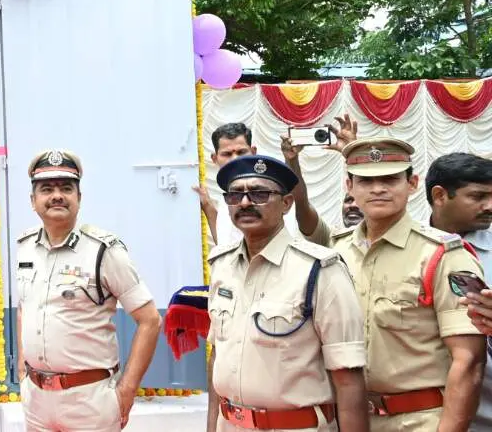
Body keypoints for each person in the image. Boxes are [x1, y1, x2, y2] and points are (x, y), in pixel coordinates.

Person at [319, 138, 486, 431]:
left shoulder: (443, 254)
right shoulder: (337, 252)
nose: (378, 189)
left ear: (412, 184)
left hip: (419, 420)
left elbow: (469, 360)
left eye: (390, 179)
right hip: (347, 419)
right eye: (366, 180)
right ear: (349, 187)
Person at [205, 155, 368, 432]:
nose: (245, 203)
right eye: (236, 195)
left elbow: (348, 377)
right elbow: (217, 356)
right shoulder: (222, 265)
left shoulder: (319, 270)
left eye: (259, 194)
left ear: (287, 203)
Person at [14, 149, 161, 432]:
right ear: (33, 201)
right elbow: (25, 307)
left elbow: (150, 320)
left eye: (66, 188)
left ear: (78, 199)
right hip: (36, 398)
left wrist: (127, 391)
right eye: (47, 189)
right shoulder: (25, 247)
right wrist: (22, 369)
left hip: (89, 401)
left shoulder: (103, 251)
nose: (57, 195)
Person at [199, 118, 355, 247]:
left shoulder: (271, 190)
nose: (235, 159)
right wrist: (207, 206)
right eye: (227, 154)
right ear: (214, 158)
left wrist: (291, 159)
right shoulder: (225, 198)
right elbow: (225, 246)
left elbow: (301, 205)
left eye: (241, 152)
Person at [423, 152, 492, 428]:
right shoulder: (410, 250)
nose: (490, 206)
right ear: (440, 196)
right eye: (478, 197)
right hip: (423, 417)